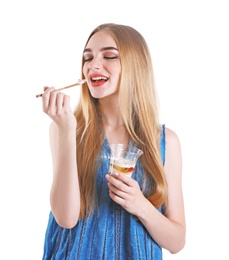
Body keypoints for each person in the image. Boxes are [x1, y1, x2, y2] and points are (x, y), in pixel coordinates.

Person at [41, 23, 186, 259]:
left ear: (135, 66)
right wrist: (66, 130)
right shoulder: (65, 129)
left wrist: (140, 205)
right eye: (87, 59)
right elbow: (66, 219)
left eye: (109, 55)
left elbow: (177, 241)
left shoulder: (166, 142)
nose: (93, 65)